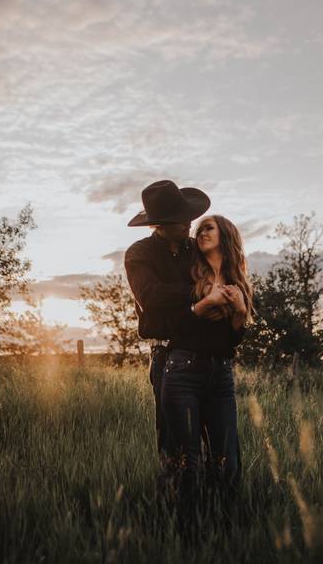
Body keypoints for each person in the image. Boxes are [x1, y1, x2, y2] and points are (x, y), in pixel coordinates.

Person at [124, 181, 230, 469]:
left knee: (221, 450)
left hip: (207, 353)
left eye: (187, 217)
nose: (187, 224)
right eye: (177, 220)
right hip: (167, 356)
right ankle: (176, 510)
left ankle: (216, 508)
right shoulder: (139, 253)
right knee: (177, 450)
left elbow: (221, 287)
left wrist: (209, 296)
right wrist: (199, 292)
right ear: (159, 224)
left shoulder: (199, 251)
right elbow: (150, 298)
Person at [161, 214, 253, 525]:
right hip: (182, 370)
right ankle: (187, 528)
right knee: (190, 460)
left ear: (226, 234)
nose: (201, 233)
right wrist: (204, 304)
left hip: (221, 375)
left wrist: (239, 312)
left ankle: (224, 524)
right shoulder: (188, 275)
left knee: (225, 457)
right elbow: (174, 326)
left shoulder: (238, 281)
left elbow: (233, 340)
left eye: (209, 228)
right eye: (199, 229)